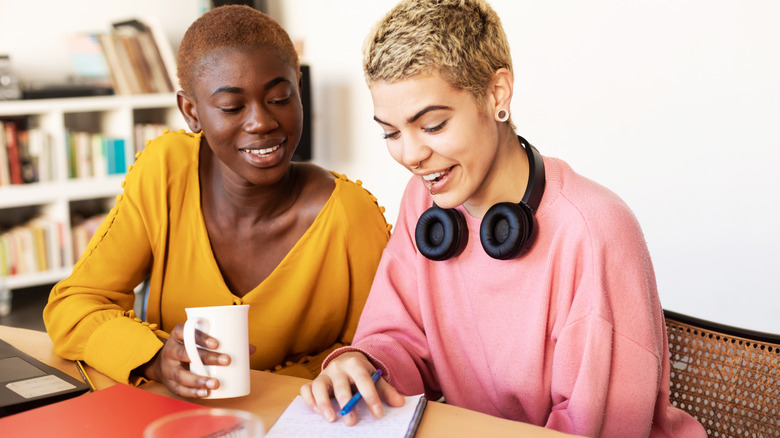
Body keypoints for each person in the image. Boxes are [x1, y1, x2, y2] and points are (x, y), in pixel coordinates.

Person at [300, 1, 706, 436]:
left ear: (497, 94)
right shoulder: (426, 203)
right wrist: (363, 364)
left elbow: (596, 427)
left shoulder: (594, 231)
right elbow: (400, 339)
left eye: (433, 125)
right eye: (391, 132)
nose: (411, 155)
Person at [44, 5, 390, 399]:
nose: (261, 122)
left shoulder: (350, 216)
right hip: (175, 421)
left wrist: (296, 381)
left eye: (279, 98)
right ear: (191, 112)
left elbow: (379, 350)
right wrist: (155, 358)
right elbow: (75, 305)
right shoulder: (166, 172)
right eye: (232, 107)